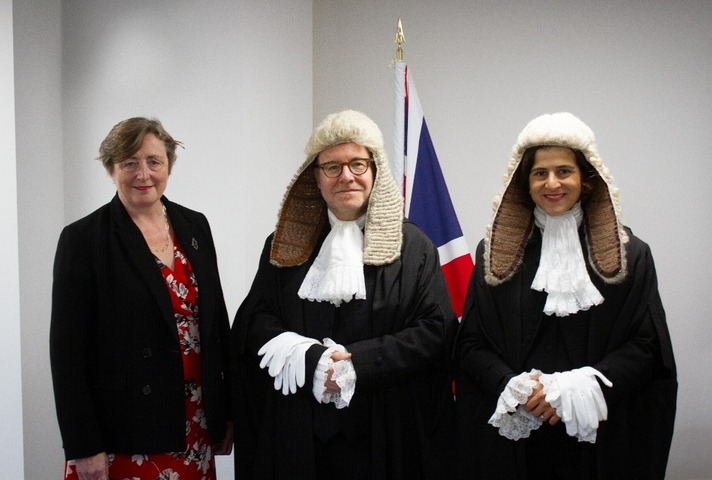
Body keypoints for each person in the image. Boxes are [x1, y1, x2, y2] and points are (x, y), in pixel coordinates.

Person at [231, 110, 458, 480]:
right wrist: (310, 359)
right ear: (315, 179)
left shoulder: (414, 245)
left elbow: (435, 331)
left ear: (374, 172)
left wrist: (357, 365)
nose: (346, 176)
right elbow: (254, 322)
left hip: (388, 433)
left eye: (357, 164)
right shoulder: (283, 245)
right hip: (300, 432)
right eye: (332, 167)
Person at [456, 112, 677, 479]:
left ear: (586, 179)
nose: (551, 183)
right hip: (517, 439)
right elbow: (471, 344)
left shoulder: (632, 254)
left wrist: (573, 388)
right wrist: (514, 387)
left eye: (564, 171)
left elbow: (648, 346)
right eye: (539, 173)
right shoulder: (493, 254)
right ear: (523, 183)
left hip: (600, 439)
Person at [50, 117, 233, 480]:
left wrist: (224, 411)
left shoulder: (195, 225)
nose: (143, 174)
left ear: (168, 165)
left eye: (154, 161)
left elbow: (216, 325)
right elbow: (67, 354)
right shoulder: (83, 239)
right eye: (129, 163)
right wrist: (83, 445)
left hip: (193, 421)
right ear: (112, 168)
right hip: (124, 433)